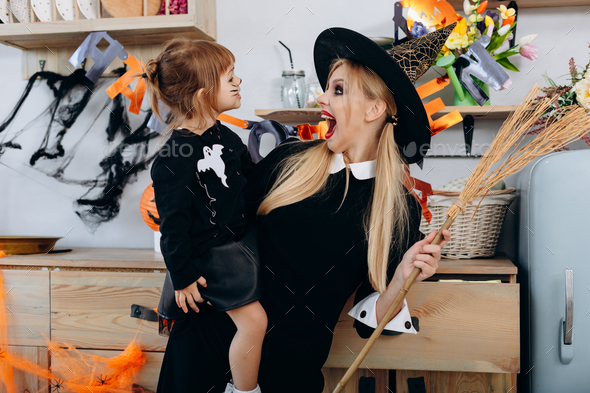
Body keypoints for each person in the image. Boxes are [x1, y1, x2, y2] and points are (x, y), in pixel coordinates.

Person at [155, 24, 455, 393]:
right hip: (202, 349)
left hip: (288, 374)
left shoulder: (397, 208)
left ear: (375, 108)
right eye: (328, 88)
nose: (321, 99)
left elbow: (369, 320)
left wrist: (401, 279)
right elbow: (216, 218)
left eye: (338, 90)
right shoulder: (288, 159)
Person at [145, 37, 266, 393]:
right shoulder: (176, 155)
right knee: (254, 322)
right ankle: (244, 391)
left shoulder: (225, 136)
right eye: (229, 78)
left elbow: (251, 181)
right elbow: (173, 226)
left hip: (238, 247)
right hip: (211, 257)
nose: (238, 82)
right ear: (201, 95)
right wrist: (182, 277)